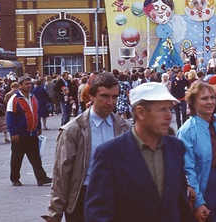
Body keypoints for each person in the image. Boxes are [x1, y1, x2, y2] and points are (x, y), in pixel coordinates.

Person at [84, 82, 195, 222]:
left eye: (169, 109)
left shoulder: (175, 148)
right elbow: (97, 213)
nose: (169, 116)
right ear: (140, 112)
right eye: (162, 110)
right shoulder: (110, 154)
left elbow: (181, 204)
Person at [44, 73, 129, 222]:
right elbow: (61, 174)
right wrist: (55, 214)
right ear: (91, 96)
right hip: (83, 198)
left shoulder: (123, 128)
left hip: (117, 198)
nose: (110, 102)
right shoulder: (74, 130)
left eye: (114, 97)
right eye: (104, 96)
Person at [177, 81, 216, 222]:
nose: (210, 102)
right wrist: (198, 202)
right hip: (203, 189)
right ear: (193, 102)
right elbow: (187, 170)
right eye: (204, 98)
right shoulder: (186, 131)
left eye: (213, 97)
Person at [6, 76, 52, 187]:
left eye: (30, 84)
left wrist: (38, 127)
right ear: (20, 85)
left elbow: (36, 113)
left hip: (32, 133)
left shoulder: (33, 97)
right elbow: (10, 117)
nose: (29, 85)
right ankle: (15, 178)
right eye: (26, 84)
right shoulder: (14, 99)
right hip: (20, 134)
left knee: (36, 157)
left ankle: (41, 178)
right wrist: (13, 133)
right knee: (17, 158)